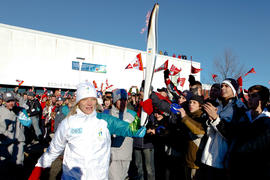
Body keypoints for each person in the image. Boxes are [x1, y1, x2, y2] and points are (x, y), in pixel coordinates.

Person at [28, 82, 146, 180]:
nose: (89, 103)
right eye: (85, 99)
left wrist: (140, 119)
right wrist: (38, 169)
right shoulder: (68, 123)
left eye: (92, 99)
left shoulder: (105, 120)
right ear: (79, 102)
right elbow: (54, 149)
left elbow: (126, 128)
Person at [200, 78, 246, 180]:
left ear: (234, 90)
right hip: (208, 157)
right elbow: (209, 132)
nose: (222, 88)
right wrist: (209, 120)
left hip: (224, 162)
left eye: (226, 86)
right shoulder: (218, 106)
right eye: (222, 86)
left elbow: (232, 135)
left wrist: (216, 118)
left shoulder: (239, 108)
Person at [227, 85, 270, 180]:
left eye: (254, 96)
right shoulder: (242, 116)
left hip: (257, 171)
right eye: (249, 96)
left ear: (262, 100)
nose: (249, 99)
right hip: (236, 169)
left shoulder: (267, 121)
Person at [104, 89, 141, 180]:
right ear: (115, 101)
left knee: (123, 177)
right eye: (120, 100)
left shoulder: (132, 114)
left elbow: (136, 130)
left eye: (125, 100)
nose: (123, 102)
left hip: (126, 154)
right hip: (112, 153)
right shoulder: (107, 113)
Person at [178, 95, 207, 180]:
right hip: (187, 159)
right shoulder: (190, 115)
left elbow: (199, 132)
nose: (191, 104)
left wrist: (184, 117)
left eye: (194, 103)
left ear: (200, 106)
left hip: (195, 161)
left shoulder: (202, 116)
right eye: (190, 102)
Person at [0, 92, 25, 179]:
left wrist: (16, 95)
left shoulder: (18, 109)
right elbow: (1, 130)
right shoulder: (1, 111)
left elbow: (24, 103)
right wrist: (9, 136)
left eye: (12, 101)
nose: (11, 103)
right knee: (4, 166)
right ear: (4, 102)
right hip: (5, 143)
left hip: (18, 142)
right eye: (8, 101)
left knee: (18, 165)